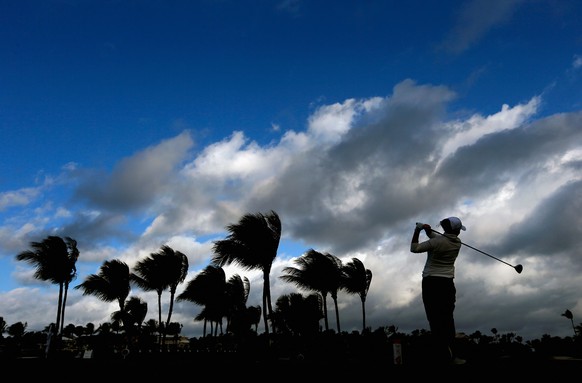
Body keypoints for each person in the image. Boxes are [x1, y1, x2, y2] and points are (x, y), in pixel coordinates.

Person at [410, 216, 466, 365]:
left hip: (431, 283)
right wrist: (428, 231)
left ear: (445, 228)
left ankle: (443, 354)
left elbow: (414, 248)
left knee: (434, 319)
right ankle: (454, 355)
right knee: (447, 318)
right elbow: (440, 239)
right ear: (456, 231)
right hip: (447, 283)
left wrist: (418, 230)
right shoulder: (457, 243)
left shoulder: (437, 242)